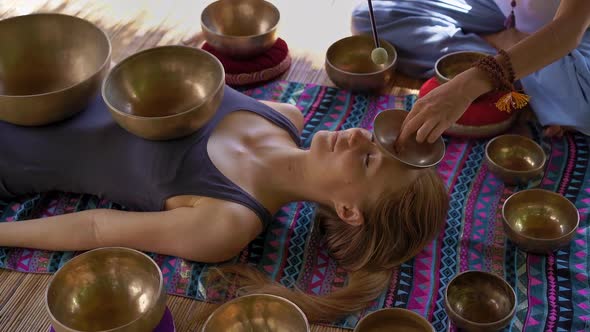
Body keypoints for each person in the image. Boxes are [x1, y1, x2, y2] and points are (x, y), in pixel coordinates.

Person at [0, 85, 449, 321]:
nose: (357, 135)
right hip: (47, 84)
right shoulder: (284, 115)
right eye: (374, 139)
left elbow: (97, 228)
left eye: (368, 160)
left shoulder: (228, 223)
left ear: (349, 211)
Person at [351, 0, 590, 144]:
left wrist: (470, 84)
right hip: (498, 8)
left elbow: (568, 29)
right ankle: (520, 59)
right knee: (371, 18)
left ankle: (516, 58)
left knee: (584, 107)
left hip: (574, 32)